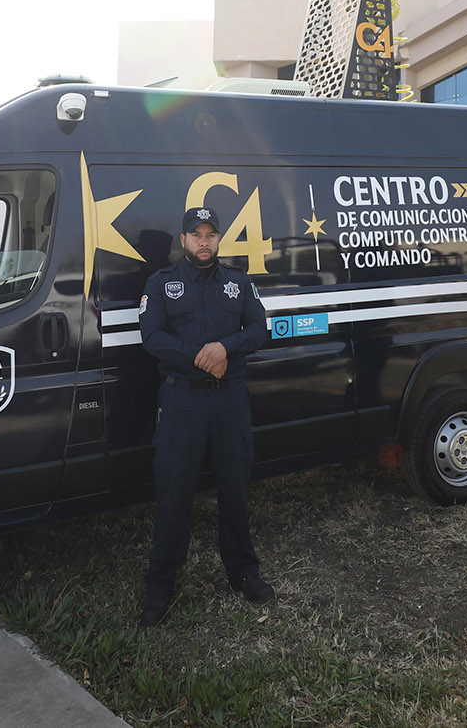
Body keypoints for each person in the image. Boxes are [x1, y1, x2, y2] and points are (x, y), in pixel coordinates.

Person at [136, 206, 274, 626]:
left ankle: (243, 573)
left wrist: (225, 348)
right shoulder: (162, 283)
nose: (204, 241)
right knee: (174, 492)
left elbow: (260, 328)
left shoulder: (238, 282)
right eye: (196, 235)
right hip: (182, 402)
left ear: (218, 239)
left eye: (210, 234)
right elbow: (151, 336)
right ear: (183, 240)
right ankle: (160, 586)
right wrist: (200, 356)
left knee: (235, 489)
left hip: (230, 400)